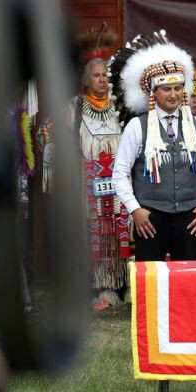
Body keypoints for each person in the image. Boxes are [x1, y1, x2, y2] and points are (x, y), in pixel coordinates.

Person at [111, 30, 196, 262]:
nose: (173, 94)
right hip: (150, 217)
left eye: (178, 88)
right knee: (150, 281)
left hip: (190, 217)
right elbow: (119, 173)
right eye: (166, 89)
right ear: (153, 92)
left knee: (186, 281)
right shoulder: (136, 127)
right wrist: (135, 210)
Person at [69, 51, 131, 310]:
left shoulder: (120, 108)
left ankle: (125, 287)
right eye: (96, 75)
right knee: (95, 236)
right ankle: (100, 289)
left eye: (105, 75)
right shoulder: (73, 109)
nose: (103, 80)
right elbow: (47, 138)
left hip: (120, 187)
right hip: (89, 188)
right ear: (86, 81)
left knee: (122, 235)